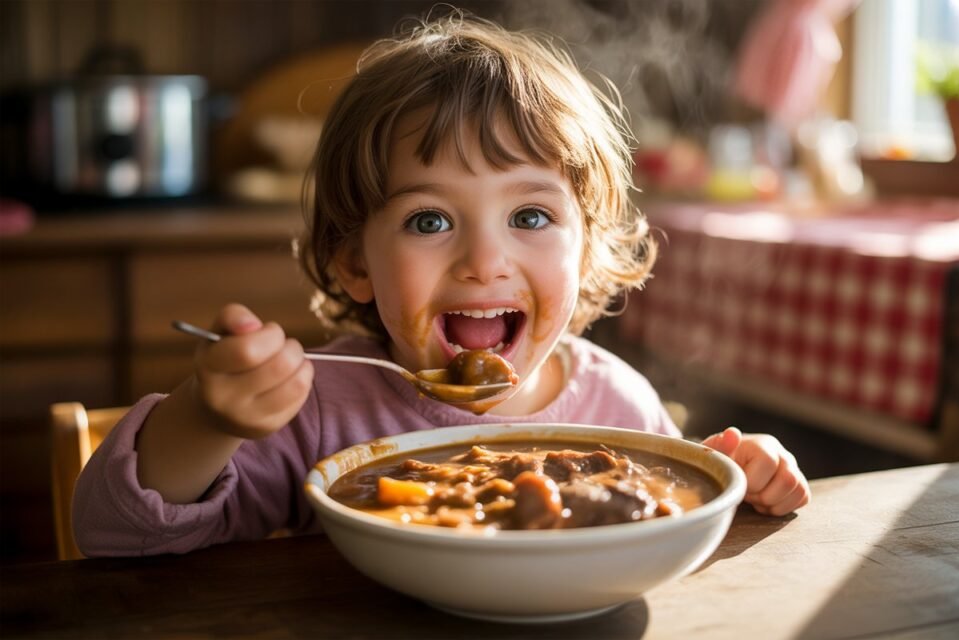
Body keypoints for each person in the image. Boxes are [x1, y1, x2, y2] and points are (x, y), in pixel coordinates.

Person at [73, 12, 809, 556]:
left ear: (587, 249)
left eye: (529, 214)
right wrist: (207, 420)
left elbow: (675, 534)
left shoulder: (620, 408)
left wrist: (744, 475)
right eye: (429, 221)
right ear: (353, 261)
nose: (483, 263)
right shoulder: (318, 411)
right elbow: (110, 537)